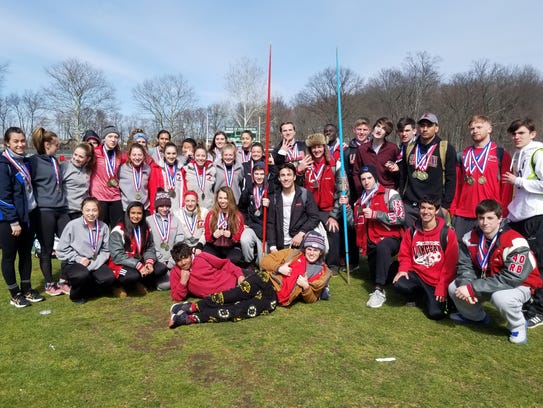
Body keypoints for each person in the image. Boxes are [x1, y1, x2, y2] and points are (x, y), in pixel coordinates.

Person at [168, 230, 330, 327]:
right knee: (230, 296)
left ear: (321, 252)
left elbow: (312, 298)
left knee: (237, 311)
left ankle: (189, 319)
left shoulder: (322, 273)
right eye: (309, 248)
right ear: (305, 248)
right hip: (265, 280)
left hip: (274, 300)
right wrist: (279, 268)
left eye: (316, 250)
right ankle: (192, 308)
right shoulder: (293, 254)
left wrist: (306, 287)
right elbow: (265, 261)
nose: (312, 253)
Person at [449, 199, 542, 344]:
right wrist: (467, 285)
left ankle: (518, 325)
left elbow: (512, 278)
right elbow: (465, 267)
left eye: (490, 218)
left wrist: (473, 288)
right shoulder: (469, 237)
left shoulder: (515, 241)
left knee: (501, 298)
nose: (485, 222)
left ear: (500, 219)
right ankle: (475, 317)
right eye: (481, 218)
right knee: (454, 287)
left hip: (521, 284)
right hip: (489, 280)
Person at [502, 118, 543, 329]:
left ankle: (540, 310)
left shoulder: (538, 152)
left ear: (532, 133)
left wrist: (518, 181)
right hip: (518, 216)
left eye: (521, 133)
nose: (516, 137)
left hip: (536, 216)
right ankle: (526, 304)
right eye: (514, 134)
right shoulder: (518, 153)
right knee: (521, 260)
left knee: (538, 263)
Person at [347, 165, 405, 308]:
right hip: (371, 241)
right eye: (363, 179)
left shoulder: (390, 194)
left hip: (390, 238)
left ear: (375, 178)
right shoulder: (359, 201)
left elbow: (400, 217)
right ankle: (396, 269)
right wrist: (348, 209)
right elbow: (354, 224)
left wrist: (376, 214)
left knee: (383, 248)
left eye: (369, 178)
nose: (366, 182)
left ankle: (379, 291)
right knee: (377, 275)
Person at [392, 196, 458, 320]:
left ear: (437, 211)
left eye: (430, 208)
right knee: (399, 283)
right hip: (417, 274)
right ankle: (416, 295)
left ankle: (429, 297)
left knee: (436, 314)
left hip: (436, 280)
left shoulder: (448, 233)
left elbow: (450, 265)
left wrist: (442, 287)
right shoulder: (412, 231)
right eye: (423, 208)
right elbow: (405, 254)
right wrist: (403, 269)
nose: (426, 212)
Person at [450, 115, 513, 239]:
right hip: (463, 214)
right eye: (472, 128)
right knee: (462, 255)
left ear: (490, 129)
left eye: (479, 127)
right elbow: (457, 184)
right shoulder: (463, 155)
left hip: (490, 214)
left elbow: (507, 187)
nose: (475, 131)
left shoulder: (501, 154)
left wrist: (503, 211)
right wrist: (453, 210)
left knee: (489, 254)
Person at [0, 127, 43, 307]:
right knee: (9, 257)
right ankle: (14, 294)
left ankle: (26, 289)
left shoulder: (25, 162)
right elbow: (3, 196)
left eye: (22, 140)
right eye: (16, 141)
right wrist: (13, 221)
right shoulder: (3, 165)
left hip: (28, 217)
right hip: (10, 221)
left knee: (25, 255)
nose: (20, 144)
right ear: (7, 143)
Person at [30, 127, 71, 296]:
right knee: (46, 249)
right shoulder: (33, 161)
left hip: (62, 209)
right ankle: (49, 283)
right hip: (44, 211)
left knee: (68, 244)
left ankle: (63, 280)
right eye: (56, 145)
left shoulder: (55, 161)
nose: (59, 148)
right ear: (47, 145)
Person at [399, 113, 457, 227]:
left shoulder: (445, 148)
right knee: (410, 240)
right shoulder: (410, 147)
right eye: (422, 125)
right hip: (410, 206)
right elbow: (403, 176)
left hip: (433, 208)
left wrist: (445, 207)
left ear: (436, 128)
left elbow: (451, 180)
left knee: (431, 242)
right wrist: (401, 199)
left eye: (429, 126)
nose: (425, 129)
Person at [297, 133, 343, 272]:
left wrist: (334, 215)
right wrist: (299, 171)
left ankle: (333, 265)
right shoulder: (305, 165)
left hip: (327, 209)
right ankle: (306, 261)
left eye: (319, 147)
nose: (316, 150)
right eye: (313, 148)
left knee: (333, 230)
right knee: (303, 231)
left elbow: (342, 191)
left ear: (324, 147)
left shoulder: (335, 165)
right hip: (309, 209)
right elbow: (296, 187)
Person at [56, 197, 114, 303]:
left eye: (94, 210)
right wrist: (78, 259)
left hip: (94, 262)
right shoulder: (72, 225)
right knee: (81, 275)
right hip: (74, 262)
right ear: (82, 210)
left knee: (108, 278)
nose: (91, 213)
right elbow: (60, 250)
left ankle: (87, 290)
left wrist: (94, 264)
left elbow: (106, 250)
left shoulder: (104, 226)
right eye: (87, 210)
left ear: (98, 211)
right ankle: (76, 295)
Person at [108, 201, 160, 297]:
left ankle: (136, 283)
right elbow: (117, 256)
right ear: (127, 213)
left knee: (160, 269)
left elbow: (150, 247)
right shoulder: (118, 230)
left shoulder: (145, 227)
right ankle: (116, 286)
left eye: (139, 213)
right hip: (120, 264)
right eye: (133, 213)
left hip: (138, 261)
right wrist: (138, 265)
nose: (136, 216)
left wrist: (149, 262)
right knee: (132, 275)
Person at [266, 163, 320, 252]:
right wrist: (272, 246)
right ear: (279, 178)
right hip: (280, 244)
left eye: (289, 175)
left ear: (294, 177)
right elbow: (271, 223)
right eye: (282, 175)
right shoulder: (274, 197)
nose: (286, 178)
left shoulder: (305, 194)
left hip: (300, 242)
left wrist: (301, 233)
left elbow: (314, 217)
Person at [168, 241, 245, 302]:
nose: (183, 262)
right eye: (179, 260)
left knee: (254, 281)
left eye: (185, 258)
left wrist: (239, 275)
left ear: (191, 255)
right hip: (221, 295)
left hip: (232, 281)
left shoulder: (203, 256)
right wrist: (183, 282)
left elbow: (225, 264)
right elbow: (176, 297)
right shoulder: (175, 272)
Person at [89, 125, 126, 226]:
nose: (113, 139)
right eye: (110, 136)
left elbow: (136, 158)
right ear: (104, 138)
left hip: (115, 196)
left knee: (118, 227)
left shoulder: (119, 154)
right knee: (101, 227)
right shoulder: (95, 152)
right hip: (99, 196)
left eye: (116, 137)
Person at [146, 189, 183, 290]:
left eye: (167, 206)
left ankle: (170, 274)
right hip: (157, 259)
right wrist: (159, 258)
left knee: (172, 283)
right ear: (157, 206)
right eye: (161, 206)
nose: (164, 209)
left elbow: (179, 240)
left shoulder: (175, 220)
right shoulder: (148, 220)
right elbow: (148, 244)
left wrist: (173, 258)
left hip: (173, 258)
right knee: (164, 285)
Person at [353, 117, 401, 193]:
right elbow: (356, 172)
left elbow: (400, 172)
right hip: (368, 192)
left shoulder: (393, 148)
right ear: (373, 128)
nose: (379, 130)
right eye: (378, 126)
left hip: (387, 191)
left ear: (387, 133)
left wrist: (394, 188)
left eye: (384, 128)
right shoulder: (362, 149)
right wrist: (360, 190)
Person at [239, 161, 271, 265]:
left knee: (262, 263)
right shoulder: (249, 189)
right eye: (256, 174)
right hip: (252, 225)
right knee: (244, 240)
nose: (259, 177)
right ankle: (249, 262)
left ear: (266, 175)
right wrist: (245, 221)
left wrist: (270, 205)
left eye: (262, 174)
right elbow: (241, 208)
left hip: (266, 229)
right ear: (252, 175)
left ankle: (258, 263)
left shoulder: (271, 190)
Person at [203, 186, 245, 265]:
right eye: (220, 198)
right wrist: (213, 236)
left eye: (226, 198)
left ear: (230, 199)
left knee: (233, 260)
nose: (222, 201)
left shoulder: (237, 216)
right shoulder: (211, 214)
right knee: (206, 258)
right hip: (214, 246)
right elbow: (207, 237)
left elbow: (238, 237)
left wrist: (231, 236)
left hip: (231, 247)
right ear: (217, 199)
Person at [148, 141, 185, 214]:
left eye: (174, 153)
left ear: (177, 154)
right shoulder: (156, 169)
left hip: (178, 208)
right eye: (168, 153)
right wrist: (154, 209)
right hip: (163, 209)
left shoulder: (182, 169)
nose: (171, 156)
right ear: (164, 154)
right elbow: (153, 191)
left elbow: (184, 190)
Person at [61, 142, 95, 220]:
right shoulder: (64, 167)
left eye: (81, 157)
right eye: (75, 154)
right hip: (67, 212)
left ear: (88, 158)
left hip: (82, 212)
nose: (76, 158)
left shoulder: (88, 170)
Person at [119, 143, 151, 212]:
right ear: (129, 156)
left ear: (144, 156)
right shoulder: (122, 169)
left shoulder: (148, 169)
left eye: (140, 155)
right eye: (134, 155)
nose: (137, 158)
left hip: (144, 207)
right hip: (127, 208)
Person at [346, 117, 371, 205]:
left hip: (372, 190)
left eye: (365, 129)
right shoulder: (347, 151)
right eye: (359, 129)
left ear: (369, 131)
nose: (361, 132)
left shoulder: (373, 147)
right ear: (354, 130)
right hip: (354, 191)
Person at [183, 145, 216, 210]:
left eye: (203, 156)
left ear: (206, 157)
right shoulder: (186, 170)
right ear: (194, 156)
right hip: (191, 208)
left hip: (208, 208)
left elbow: (214, 190)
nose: (200, 158)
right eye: (198, 155)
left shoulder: (212, 170)